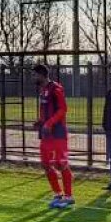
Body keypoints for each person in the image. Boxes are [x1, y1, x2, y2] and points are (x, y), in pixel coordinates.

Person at [33, 64, 74, 209]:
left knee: (60, 163)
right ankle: (58, 194)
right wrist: (40, 121)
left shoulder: (56, 88)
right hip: (46, 134)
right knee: (45, 164)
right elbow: (46, 110)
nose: (34, 77)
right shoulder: (42, 90)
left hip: (58, 133)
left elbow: (63, 109)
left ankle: (69, 197)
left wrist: (49, 123)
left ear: (42, 75)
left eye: (35, 75)